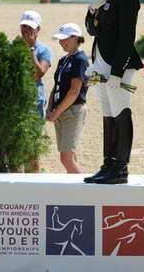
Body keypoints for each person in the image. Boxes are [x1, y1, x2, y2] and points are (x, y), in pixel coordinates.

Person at [84, 0, 143, 184]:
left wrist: (117, 71)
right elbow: (90, 30)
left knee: (120, 112)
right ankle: (108, 164)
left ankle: (121, 168)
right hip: (100, 61)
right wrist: (92, 10)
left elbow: (127, 36)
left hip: (118, 64)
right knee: (108, 114)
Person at [46, 23, 89, 174]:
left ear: (76, 38)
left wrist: (56, 112)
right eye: (60, 39)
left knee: (66, 158)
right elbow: (56, 86)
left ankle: (88, 195)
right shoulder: (63, 60)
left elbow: (74, 91)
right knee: (70, 156)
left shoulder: (80, 59)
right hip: (60, 110)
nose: (61, 42)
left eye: (65, 39)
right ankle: (75, 193)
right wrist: (50, 107)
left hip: (72, 111)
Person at [19, 10, 52, 172]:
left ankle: (32, 187)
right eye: (24, 26)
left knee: (31, 148)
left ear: (38, 29)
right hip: (15, 102)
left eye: (30, 27)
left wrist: (31, 49)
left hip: (34, 103)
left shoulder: (44, 51)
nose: (26, 30)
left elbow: (38, 73)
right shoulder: (12, 47)